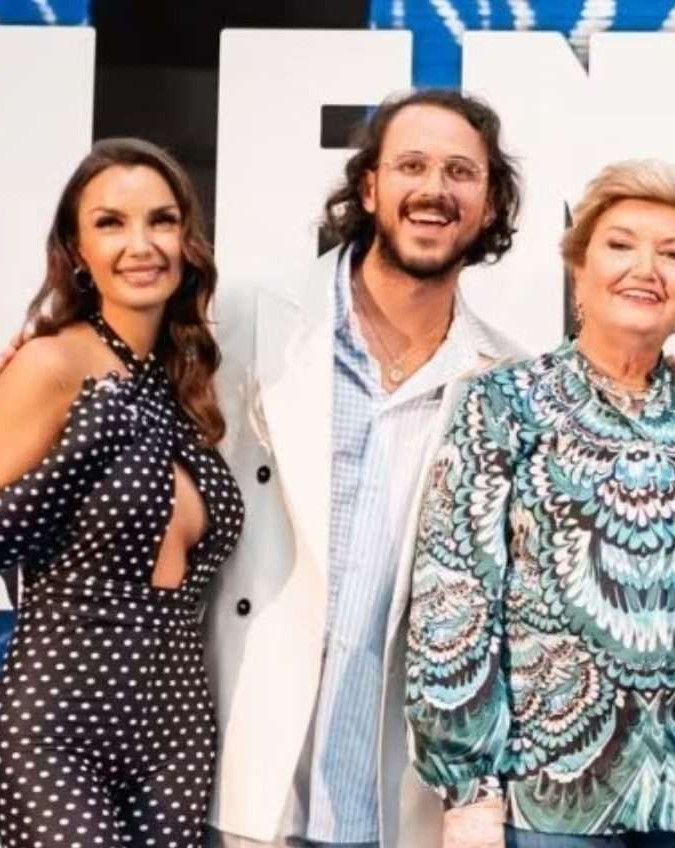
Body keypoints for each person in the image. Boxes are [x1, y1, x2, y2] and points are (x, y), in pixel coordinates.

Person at [403, 159, 675, 848]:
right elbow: (454, 596)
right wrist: (469, 789)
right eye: (620, 244)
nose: (646, 268)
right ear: (578, 268)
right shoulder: (504, 404)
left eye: (673, 254)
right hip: (554, 796)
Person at [204, 88, 530, 848]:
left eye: (461, 172)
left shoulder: (509, 380)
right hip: (245, 775)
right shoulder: (243, 321)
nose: (434, 189)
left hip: (391, 797)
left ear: (489, 205)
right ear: (369, 187)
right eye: (411, 165)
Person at [0, 137, 245, 848]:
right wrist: (80, 451)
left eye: (162, 220)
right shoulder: (50, 362)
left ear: (187, 241)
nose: (141, 245)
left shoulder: (187, 382)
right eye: (111, 223)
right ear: (77, 251)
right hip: (54, 731)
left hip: (177, 736)